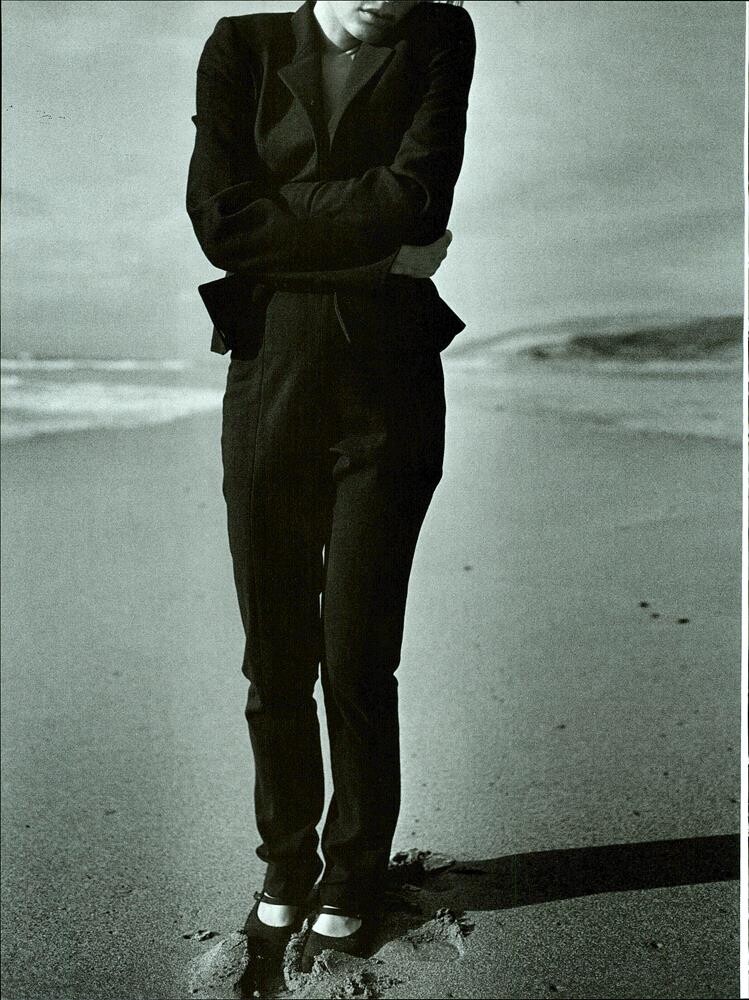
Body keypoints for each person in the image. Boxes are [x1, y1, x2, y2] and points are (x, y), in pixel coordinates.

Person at [186, 0, 476, 984]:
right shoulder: (243, 45)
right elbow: (220, 221)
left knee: (356, 655)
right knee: (275, 656)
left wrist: (293, 221)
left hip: (390, 393)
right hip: (269, 383)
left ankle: (353, 869)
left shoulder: (440, 35)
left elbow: (418, 197)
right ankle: (285, 861)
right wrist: (376, 253)